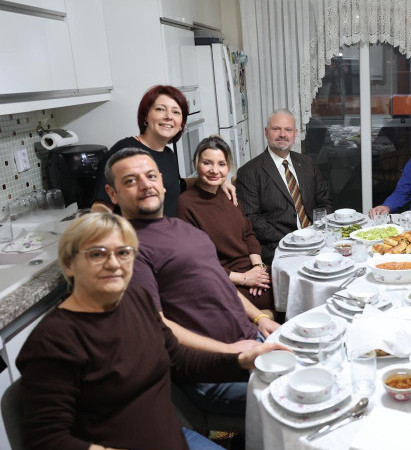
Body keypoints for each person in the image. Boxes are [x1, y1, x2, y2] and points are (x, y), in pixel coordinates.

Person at [16, 212, 287, 450]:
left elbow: (179, 359)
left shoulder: (136, 300)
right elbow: (45, 439)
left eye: (123, 252)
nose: (113, 263)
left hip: (171, 436)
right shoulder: (53, 339)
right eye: (97, 254)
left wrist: (240, 361)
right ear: (68, 264)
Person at [104, 148, 280, 418]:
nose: (145, 185)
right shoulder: (127, 250)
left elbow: (221, 284)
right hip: (214, 372)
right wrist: (229, 352)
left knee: (328, 364)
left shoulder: (183, 229)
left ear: (162, 183)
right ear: (113, 194)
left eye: (151, 176)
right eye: (130, 180)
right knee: (309, 397)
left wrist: (259, 319)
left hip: (249, 342)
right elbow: (155, 324)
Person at [91, 85, 235, 217]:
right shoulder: (124, 151)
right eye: (160, 109)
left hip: (166, 238)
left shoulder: (168, 154)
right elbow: (101, 205)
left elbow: (177, 184)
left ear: (181, 125)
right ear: (146, 116)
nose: (168, 117)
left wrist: (215, 180)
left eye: (176, 112)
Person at [178, 136, 273, 310]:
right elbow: (196, 263)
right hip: (222, 280)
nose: (215, 170)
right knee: (288, 296)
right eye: (207, 163)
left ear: (228, 167)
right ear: (195, 164)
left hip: (251, 270)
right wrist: (245, 278)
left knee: (296, 283)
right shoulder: (186, 204)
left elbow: (248, 234)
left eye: (221, 164)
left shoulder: (229, 194)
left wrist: (258, 268)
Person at [237, 108, 333, 262]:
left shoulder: (308, 163)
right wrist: (292, 239)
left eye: (288, 130)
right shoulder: (249, 171)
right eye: (276, 129)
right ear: (266, 132)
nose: (282, 134)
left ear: (295, 134)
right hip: (280, 247)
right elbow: (251, 218)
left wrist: (317, 232)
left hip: (317, 241)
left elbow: (324, 202)